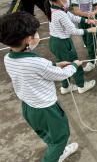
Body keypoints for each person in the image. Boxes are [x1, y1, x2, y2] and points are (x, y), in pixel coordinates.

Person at [0, 12, 80, 162]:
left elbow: (32, 71)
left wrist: (54, 65)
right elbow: (60, 75)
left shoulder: (8, 58)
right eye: (34, 33)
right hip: (47, 110)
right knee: (61, 137)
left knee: (47, 134)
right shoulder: (36, 63)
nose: (37, 35)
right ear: (28, 39)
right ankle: (56, 153)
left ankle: (57, 152)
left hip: (28, 107)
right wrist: (75, 65)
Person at [46, 0, 97, 94]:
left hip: (55, 42)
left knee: (64, 64)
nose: (68, 0)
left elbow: (73, 17)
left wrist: (88, 20)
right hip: (63, 43)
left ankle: (65, 87)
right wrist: (89, 30)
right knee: (76, 64)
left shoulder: (55, 9)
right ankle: (81, 86)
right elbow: (73, 31)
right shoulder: (60, 14)